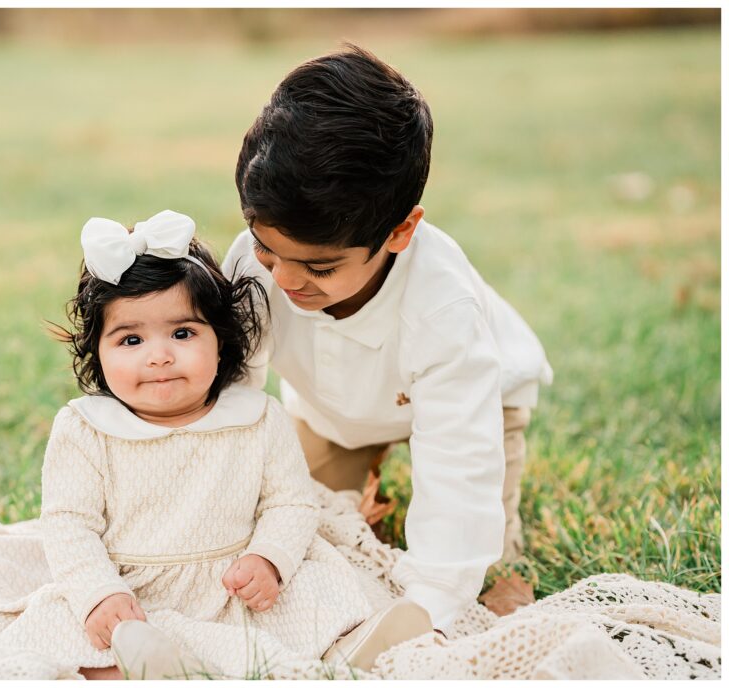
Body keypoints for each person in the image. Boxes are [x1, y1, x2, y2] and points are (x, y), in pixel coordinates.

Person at [222, 45, 553, 635]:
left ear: (400, 231)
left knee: (481, 560)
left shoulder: (441, 307)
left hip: (479, 402)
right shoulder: (254, 266)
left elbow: (458, 464)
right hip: (333, 410)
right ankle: (357, 474)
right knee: (297, 529)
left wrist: (430, 605)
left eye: (320, 268)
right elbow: (230, 405)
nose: (286, 278)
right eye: (267, 246)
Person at [38, 209, 432, 679]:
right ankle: (145, 669)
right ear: (97, 354)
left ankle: (349, 650)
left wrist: (269, 558)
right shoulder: (87, 430)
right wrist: (99, 593)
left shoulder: (256, 418)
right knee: (76, 636)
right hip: (133, 588)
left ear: (221, 343)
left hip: (240, 583)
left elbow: (291, 504)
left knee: (325, 588)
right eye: (130, 339)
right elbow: (68, 527)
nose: (160, 355)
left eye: (183, 333)